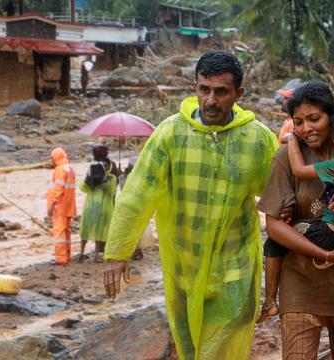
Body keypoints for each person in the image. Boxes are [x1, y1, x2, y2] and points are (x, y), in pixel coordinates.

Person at [102, 51, 278, 359]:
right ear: (195, 87)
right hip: (183, 264)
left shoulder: (258, 140)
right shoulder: (170, 134)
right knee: (189, 347)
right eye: (204, 89)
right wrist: (118, 251)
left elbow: (281, 196)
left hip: (235, 264)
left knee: (220, 345)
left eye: (221, 92)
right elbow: (138, 193)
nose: (211, 100)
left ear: (239, 93)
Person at [258, 80, 334, 359]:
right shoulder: (287, 157)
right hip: (302, 280)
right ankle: (269, 302)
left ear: (333, 116)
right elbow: (274, 226)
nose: (306, 129)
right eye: (298, 122)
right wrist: (326, 254)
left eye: (314, 119)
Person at [78, 144, 118, 262]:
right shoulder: (110, 171)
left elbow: (84, 187)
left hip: (92, 204)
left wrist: (96, 179)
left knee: (91, 229)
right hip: (103, 206)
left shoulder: (98, 170)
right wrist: (92, 179)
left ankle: (86, 253)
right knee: (98, 230)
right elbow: (112, 191)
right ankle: (93, 255)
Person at [47, 148, 77, 265]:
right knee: (66, 232)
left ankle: (61, 258)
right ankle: (67, 256)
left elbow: (58, 190)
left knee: (59, 233)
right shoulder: (70, 168)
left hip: (60, 207)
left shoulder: (59, 170)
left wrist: (51, 206)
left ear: (56, 157)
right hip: (69, 205)